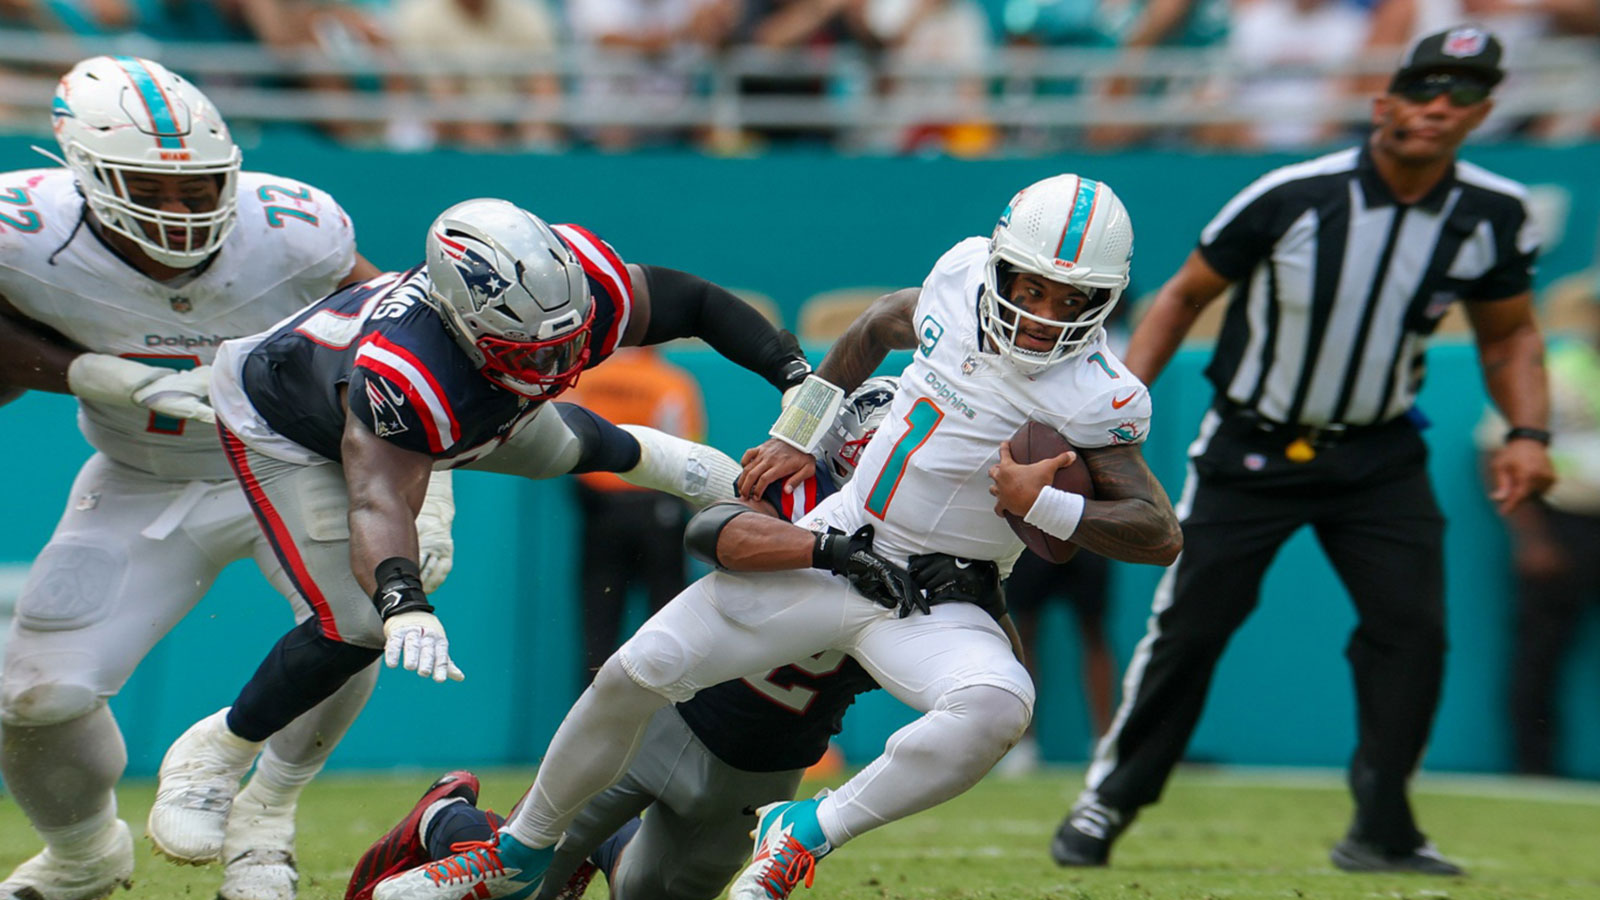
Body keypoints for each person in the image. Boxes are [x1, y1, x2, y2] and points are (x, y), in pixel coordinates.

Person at [372, 172, 1183, 900]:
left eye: (1071, 299)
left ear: (1104, 301)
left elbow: (1158, 531)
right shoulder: (956, 278)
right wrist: (803, 429)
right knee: (635, 665)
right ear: (1000, 264)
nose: (1044, 314)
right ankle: (513, 852)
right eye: (1032, 287)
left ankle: (805, 831)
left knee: (1001, 704)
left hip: (933, 594)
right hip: (841, 545)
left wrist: (1037, 507)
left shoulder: (1098, 394)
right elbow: (873, 327)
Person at [144, 197, 817, 874]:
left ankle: (681, 463)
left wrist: (793, 374)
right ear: (464, 323)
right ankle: (218, 750)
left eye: (567, 340)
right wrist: (402, 597)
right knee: (356, 623)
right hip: (290, 423)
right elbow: (378, 499)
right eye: (533, 349)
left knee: (558, 447)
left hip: (441, 412)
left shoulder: (579, 281)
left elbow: (694, 302)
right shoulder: (410, 370)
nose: (555, 364)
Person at [1051, 26, 1555, 876]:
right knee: (1193, 626)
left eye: (1464, 93)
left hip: (1379, 454)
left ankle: (1383, 825)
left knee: (1413, 632)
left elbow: (1508, 338)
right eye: (1427, 87)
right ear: (1384, 102)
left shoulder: (1492, 215)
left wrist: (1529, 432)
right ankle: (1111, 796)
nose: (1441, 106)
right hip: (1252, 443)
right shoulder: (1292, 194)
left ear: (1485, 111)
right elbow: (1179, 298)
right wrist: (1111, 416)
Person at [348, 376, 1015, 900]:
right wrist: (829, 550)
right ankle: (447, 819)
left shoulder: (947, 554)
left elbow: (989, 657)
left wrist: (980, 592)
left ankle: (604, 850)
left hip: (760, 770)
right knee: (521, 885)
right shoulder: (794, 491)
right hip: (662, 719)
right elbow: (714, 534)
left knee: (645, 893)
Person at [0, 55, 389, 900]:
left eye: (201, 188)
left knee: (363, 616)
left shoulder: (292, 228)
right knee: (34, 698)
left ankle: (264, 819)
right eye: (152, 187)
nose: (182, 210)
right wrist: (77, 369)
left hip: (295, 464)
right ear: (86, 174)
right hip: (143, 474)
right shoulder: (22, 230)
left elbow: (399, 328)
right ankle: (82, 855)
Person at [1480, 290, 1600, 776]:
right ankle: (1535, 771)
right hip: (1562, 522)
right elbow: (1494, 452)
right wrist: (1533, 539)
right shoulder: (1554, 367)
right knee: (1540, 653)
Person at [567, 347, 706, 685]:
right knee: (668, 624)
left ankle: (593, 719)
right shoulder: (672, 382)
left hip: (601, 512)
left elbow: (564, 438)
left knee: (598, 629)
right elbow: (686, 454)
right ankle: (666, 719)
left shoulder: (586, 379)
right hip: (657, 510)